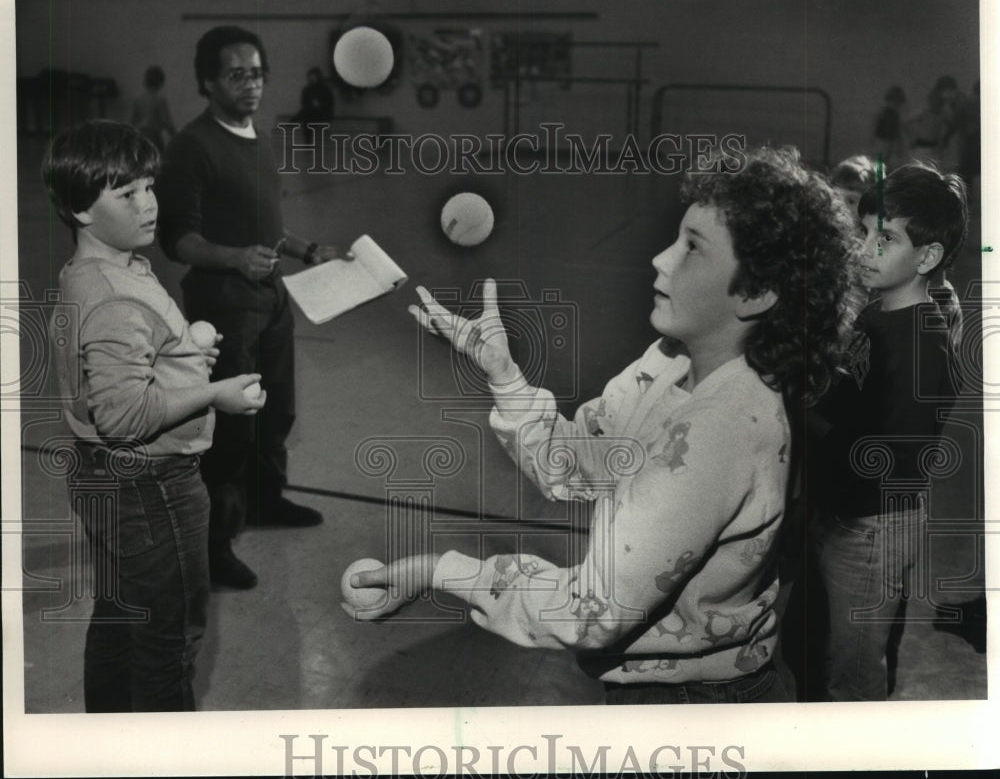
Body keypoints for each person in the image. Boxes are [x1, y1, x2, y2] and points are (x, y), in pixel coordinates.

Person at [346, 147, 857, 704]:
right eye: (675, 238)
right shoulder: (668, 361)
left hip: (693, 706)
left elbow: (591, 612)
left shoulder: (725, 430)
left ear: (756, 292)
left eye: (692, 249)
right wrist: (505, 375)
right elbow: (570, 464)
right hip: (646, 684)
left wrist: (435, 570)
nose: (662, 260)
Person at [41, 120, 266, 711]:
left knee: (119, 621)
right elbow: (124, 413)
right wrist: (214, 392)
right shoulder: (113, 296)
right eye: (127, 194)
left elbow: (114, 371)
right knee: (170, 641)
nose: (149, 205)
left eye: (149, 186)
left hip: (104, 478)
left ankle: (109, 748)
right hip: (152, 489)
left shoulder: (94, 272)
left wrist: (183, 351)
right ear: (80, 210)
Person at [157, 26, 352, 590]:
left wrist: (306, 249)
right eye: (238, 74)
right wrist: (236, 258)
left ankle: (266, 502)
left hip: (271, 297)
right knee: (232, 426)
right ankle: (213, 545)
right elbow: (178, 239)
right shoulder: (191, 147)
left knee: (276, 410)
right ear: (208, 82)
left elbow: (266, 222)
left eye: (258, 72)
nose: (252, 84)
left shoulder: (260, 138)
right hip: (222, 302)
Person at [808, 162, 968, 701]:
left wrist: (809, 415)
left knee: (852, 675)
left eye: (886, 238)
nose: (865, 249)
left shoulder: (923, 344)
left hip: (872, 529)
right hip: (843, 514)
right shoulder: (880, 311)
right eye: (865, 232)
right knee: (826, 656)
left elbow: (894, 460)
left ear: (926, 258)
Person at [130, 66, 176, 153]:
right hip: (153, 136)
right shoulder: (160, 100)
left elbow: (132, 120)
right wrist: (175, 135)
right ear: (160, 82)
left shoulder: (138, 99)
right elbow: (166, 121)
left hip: (139, 135)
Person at [871, 86, 907, 169]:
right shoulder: (884, 113)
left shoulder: (893, 114)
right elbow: (876, 126)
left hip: (887, 140)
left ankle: (881, 178)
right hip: (882, 140)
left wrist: (899, 145)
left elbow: (897, 131)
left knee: (884, 162)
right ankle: (880, 179)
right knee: (880, 162)